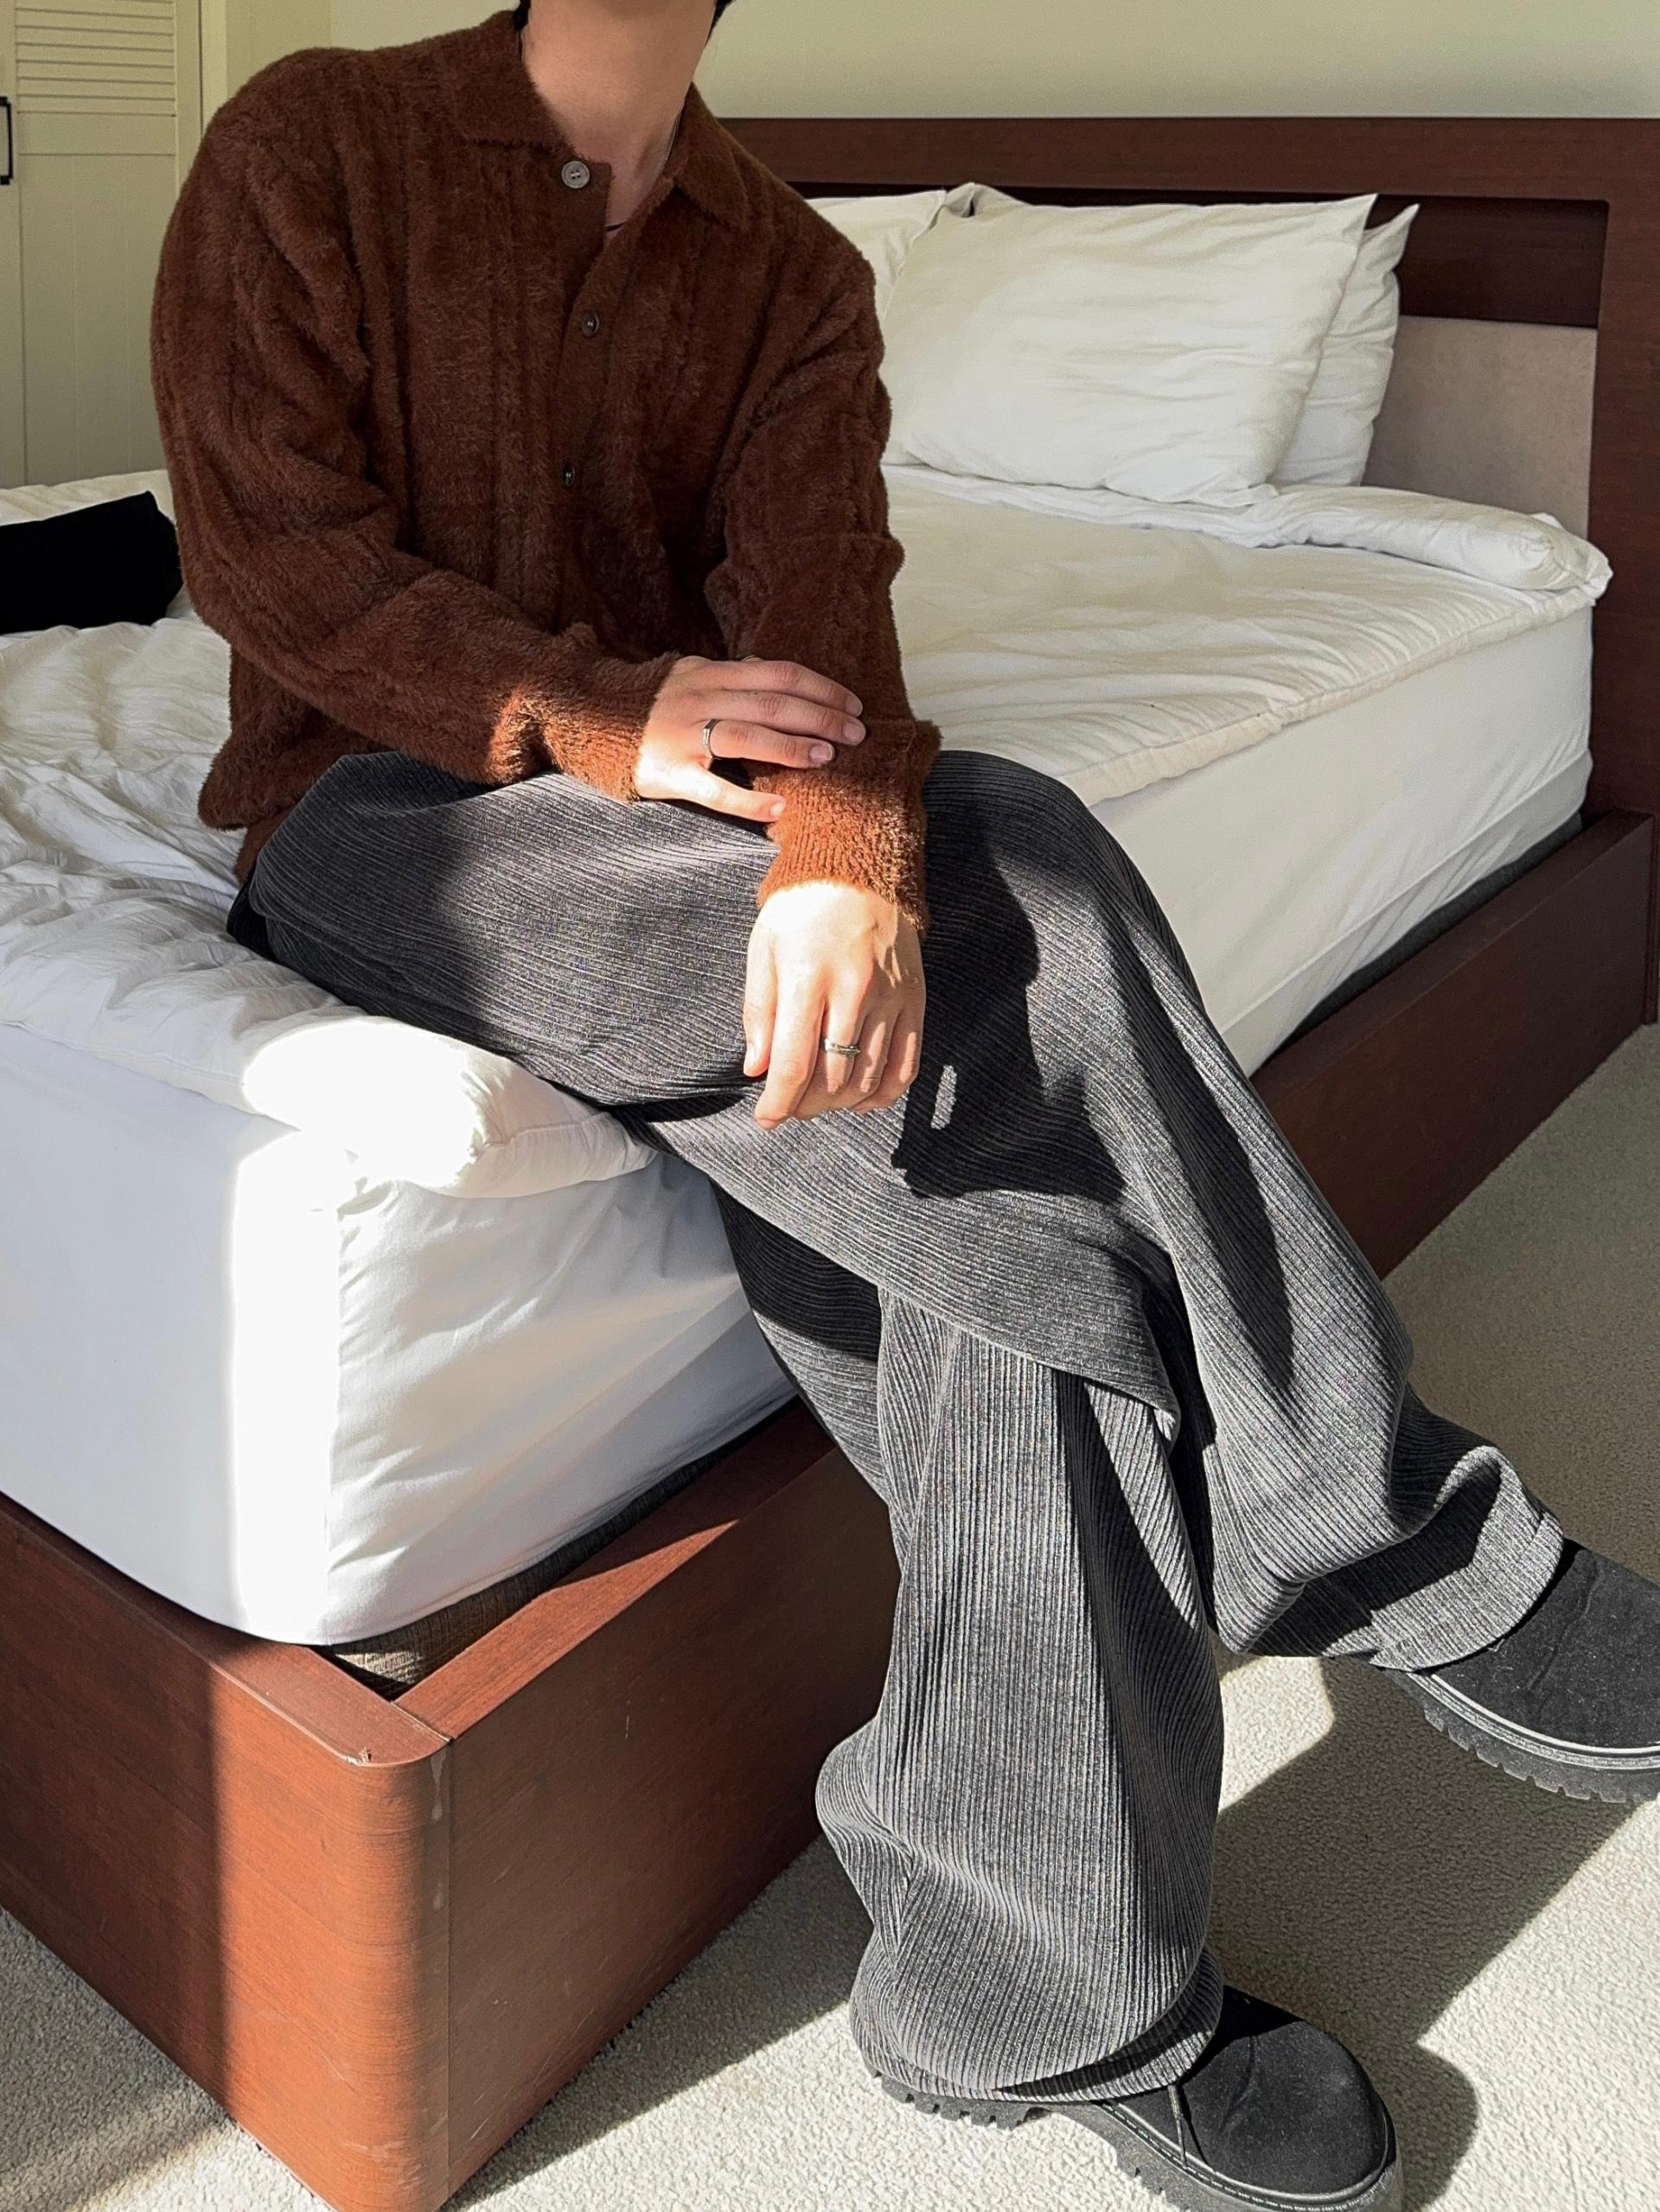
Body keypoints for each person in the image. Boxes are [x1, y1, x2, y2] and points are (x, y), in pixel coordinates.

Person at [149, 8, 1660, 2209]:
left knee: (998, 1199)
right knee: (1022, 885)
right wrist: (610, 711)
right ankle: (1384, 1528)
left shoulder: (791, 270)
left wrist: (847, 861)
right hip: (380, 827)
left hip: (710, 834)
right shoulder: (312, 141)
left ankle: (1029, 1991)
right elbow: (269, 556)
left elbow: (826, 624)